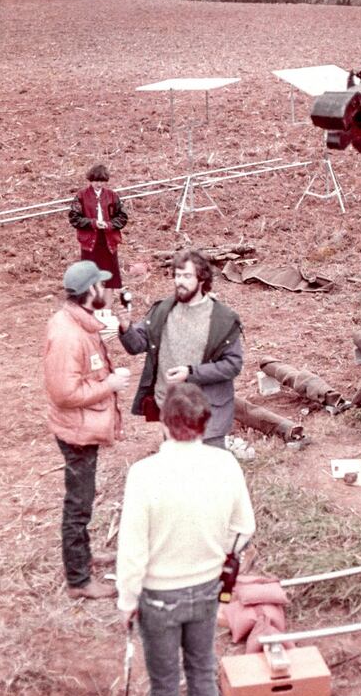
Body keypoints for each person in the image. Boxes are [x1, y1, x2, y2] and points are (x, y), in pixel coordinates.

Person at [116, 382, 255, 696]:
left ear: (164, 423)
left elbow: (133, 547)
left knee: (163, 687)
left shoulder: (144, 475)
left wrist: (127, 599)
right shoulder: (225, 465)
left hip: (158, 596)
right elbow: (244, 527)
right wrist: (224, 555)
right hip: (205, 590)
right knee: (201, 676)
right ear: (204, 422)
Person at [44, 260, 131, 600]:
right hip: (75, 430)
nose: (107, 291)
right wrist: (108, 384)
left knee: (82, 499)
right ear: (89, 292)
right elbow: (64, 394)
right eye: (102, 285)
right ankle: (79, 581)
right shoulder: (68, 335)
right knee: (78, 504)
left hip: (81, 426)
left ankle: (83, 557)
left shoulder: (80, 324)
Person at [114, 247, 243, 448]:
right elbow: (137, 345)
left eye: (186, 276)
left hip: (208, 414)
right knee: (178, 472)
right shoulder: (162, 310)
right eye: (177, 275)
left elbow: (232, 365)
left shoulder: (223, 319)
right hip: (170, 410)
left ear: (202, 279)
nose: (179, 281)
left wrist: (191, 373)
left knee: (208, 475)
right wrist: (126, 327)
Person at [69, 163, 128, 308]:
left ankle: (106, 310)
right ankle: (91, 307)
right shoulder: (81, 196)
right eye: (96, 181)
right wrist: (93, 223)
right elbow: (74, 218)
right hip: (89, 243)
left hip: (108, 241)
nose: (98, 184)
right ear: (90, 180)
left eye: (101, 181)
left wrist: (109, 225)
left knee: (110, 277)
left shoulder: (113, 196)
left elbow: (122, 217)